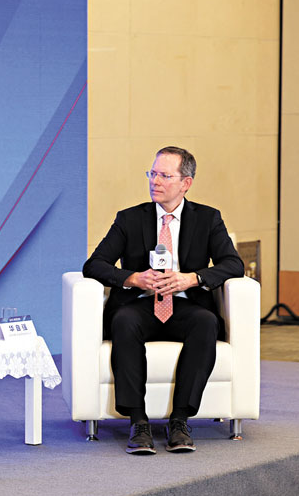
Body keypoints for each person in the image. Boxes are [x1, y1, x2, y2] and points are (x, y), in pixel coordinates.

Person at [83, 147, 244, 455]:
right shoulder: (130, 219)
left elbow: (233, 264)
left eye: (165, 176)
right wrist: (133, 278)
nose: (155, 181)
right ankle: (138, 422)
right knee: (124, 321)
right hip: (140, 304)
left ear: (186, 183)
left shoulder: (208, 218)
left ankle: (180, 421)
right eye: (152, 174)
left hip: (185, 304)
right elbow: (94, 265)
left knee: (206, 322)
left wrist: (192, 278)